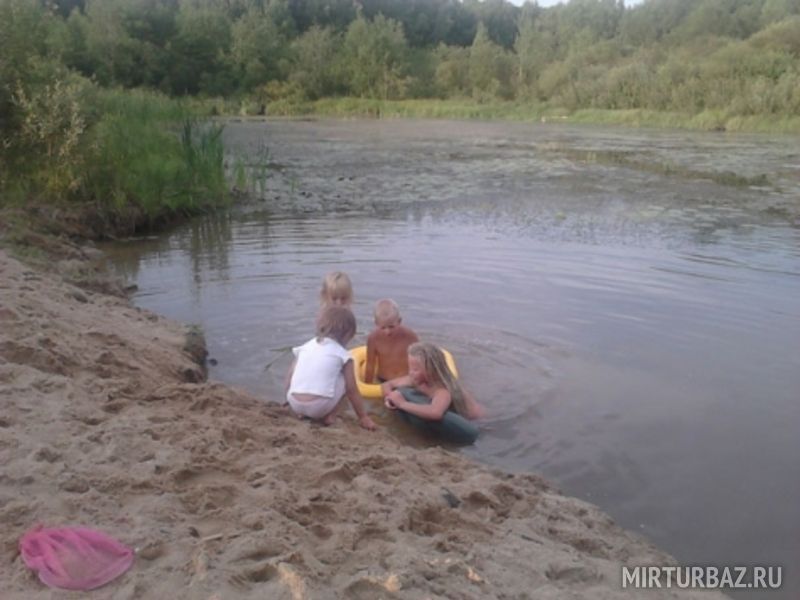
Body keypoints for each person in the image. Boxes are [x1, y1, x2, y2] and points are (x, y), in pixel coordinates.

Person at [285, 305, 376, 430]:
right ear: (348, 334)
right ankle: (330, 415)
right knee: (345, 380)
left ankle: (301, 412)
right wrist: (363, 417)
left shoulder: (305, 347)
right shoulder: (343, 354)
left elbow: (289, 376)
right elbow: (352, 390)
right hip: (319, 407)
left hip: (294, 402)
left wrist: (288, 401)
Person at [382, 342, 484, 421]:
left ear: (431, 370)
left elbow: (435, 413)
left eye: (415, 369)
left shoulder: (441, 389)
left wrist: (402, 404)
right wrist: (390, 397)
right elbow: (388, 384)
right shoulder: (416, 379)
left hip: (477, 420)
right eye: (410, 368)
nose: (411, 373)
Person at [364, 299, 419, 384]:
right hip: (383, 379)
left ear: (399, 321)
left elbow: (419, 361)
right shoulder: (373, 338)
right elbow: (370, 365)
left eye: (391, 327)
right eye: (383, 327)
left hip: (405, 380)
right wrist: (367, 387)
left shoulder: (410, 336)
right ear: (376, 323)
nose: (387, 331)